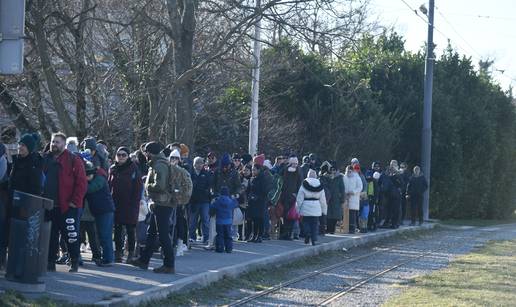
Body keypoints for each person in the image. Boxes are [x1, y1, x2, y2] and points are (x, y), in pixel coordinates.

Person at [43, 132, 87, 273]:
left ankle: (74, 261)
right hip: (49, 206)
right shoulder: (46, 159)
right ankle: (50, 263)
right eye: (52, 141)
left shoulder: (73, 159)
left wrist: (74, 201)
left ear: (64, 144)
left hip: (67, 206)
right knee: (51, 236)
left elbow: (82, 183)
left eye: (57, 142)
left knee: (71, 236)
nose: (54, 144)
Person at [130, 141, 175, 274]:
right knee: (152, 233)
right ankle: (144, 260)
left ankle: (169, 265)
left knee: (163, 235)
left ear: (150, 152)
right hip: (160, 203)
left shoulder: (159, 165)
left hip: (163, 204)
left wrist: (147, 186)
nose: (145, 155)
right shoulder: (159, 163)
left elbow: (160, 185)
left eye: (146, 152)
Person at [109, 147, 143, 263]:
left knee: (130, 230)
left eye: (124, 155)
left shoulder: (134, 169)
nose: (121, 157)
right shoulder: (113, 169)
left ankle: (131, 254)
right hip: (116, 204)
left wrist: (134, 203)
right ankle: (118, 253)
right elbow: (109, 186)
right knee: (117, 230)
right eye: (119, 155)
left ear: (128, 156)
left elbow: (138, 189)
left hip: (130, 204)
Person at [85, 162, 115, 266]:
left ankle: (108, 259)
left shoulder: (99, 179)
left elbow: (90, 189)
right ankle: (106, 257)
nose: (86, 177)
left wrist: (81, 182)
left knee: (105, 235)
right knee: (101, 235)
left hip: (105, 210)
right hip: (99, 211)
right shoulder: (94, 178)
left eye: (88, 175)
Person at [296, 169, 327, 245]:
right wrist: (324, 210)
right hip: (316, 206)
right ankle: (313, 238)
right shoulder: (320, 184)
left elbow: (299, 198)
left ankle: (307, 233)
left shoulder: (304, 184)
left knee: (305, 222)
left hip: (306, 205)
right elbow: (323, 200)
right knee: (315, 223)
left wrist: (297, 209)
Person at [189, 157, 212, 244]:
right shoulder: (190, 174)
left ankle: (206, 237)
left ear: (203, 164)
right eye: (197, 163)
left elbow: (209, 186)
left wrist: (206, 193)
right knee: (192, 221)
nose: (199, 164)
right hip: (193, 201)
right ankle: (192, 237)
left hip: (204, 201)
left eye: (201, 163)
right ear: (193, 164)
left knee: (205, 220)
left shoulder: (207, 174)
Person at [279, 156, 303, 240]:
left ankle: (288, 234)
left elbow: (300, 184)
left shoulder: (298, 171)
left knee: (291, 216)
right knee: (285, 216)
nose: (295, 165)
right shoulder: (285, 170)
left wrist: (297, 194)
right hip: (286, 196)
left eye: (296, 163)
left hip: (292, 196)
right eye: (293, 163)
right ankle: (286, 233)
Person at [246, 164, 270, 243]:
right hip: (252, 202)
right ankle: (254, 235)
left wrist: (257, 197)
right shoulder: (252, 179)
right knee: (254, 219)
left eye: (254, 170)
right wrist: (249, 196)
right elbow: (249, 190)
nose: (253, 171)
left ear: (259, 170)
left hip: (260, 202)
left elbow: (265, 191)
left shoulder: (263, 179)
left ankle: (259, 235)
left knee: (260, 218)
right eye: (252, 170)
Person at [210, 186, 238, 252]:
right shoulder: (230, 201)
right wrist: (234, 198)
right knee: (228, 235)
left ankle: (220, 248)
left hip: (219, 221)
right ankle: (229, 249)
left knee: (220, 235)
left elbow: (212, 207)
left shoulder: (218, 200)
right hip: (228, 221)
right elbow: (236, 204)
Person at [343, 165, 362, 233]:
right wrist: (344, 193)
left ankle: (352, 229)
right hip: (345, 197)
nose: (348, 172)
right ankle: (345, 228)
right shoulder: (344, 177)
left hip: (353, 198)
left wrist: (353, 192)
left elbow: (360, 187)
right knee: (345, 214)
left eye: (350, 171)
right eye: (347, 171)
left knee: (352, 214)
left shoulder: (357, 177)